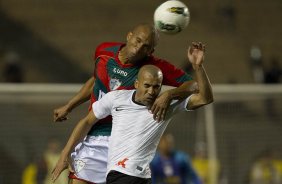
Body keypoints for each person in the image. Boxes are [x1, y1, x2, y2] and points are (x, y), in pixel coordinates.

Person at [53, 24, 198, 184]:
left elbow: (193, 85)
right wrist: (69, 106)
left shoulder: (152, 68)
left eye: (146, 46)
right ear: (129, 36)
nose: (139, 47)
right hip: (94, 136)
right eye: (138, 40)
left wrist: (170, 95)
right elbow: (97, 80)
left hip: (126, 146)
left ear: (151, 51)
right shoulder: (103, 51)